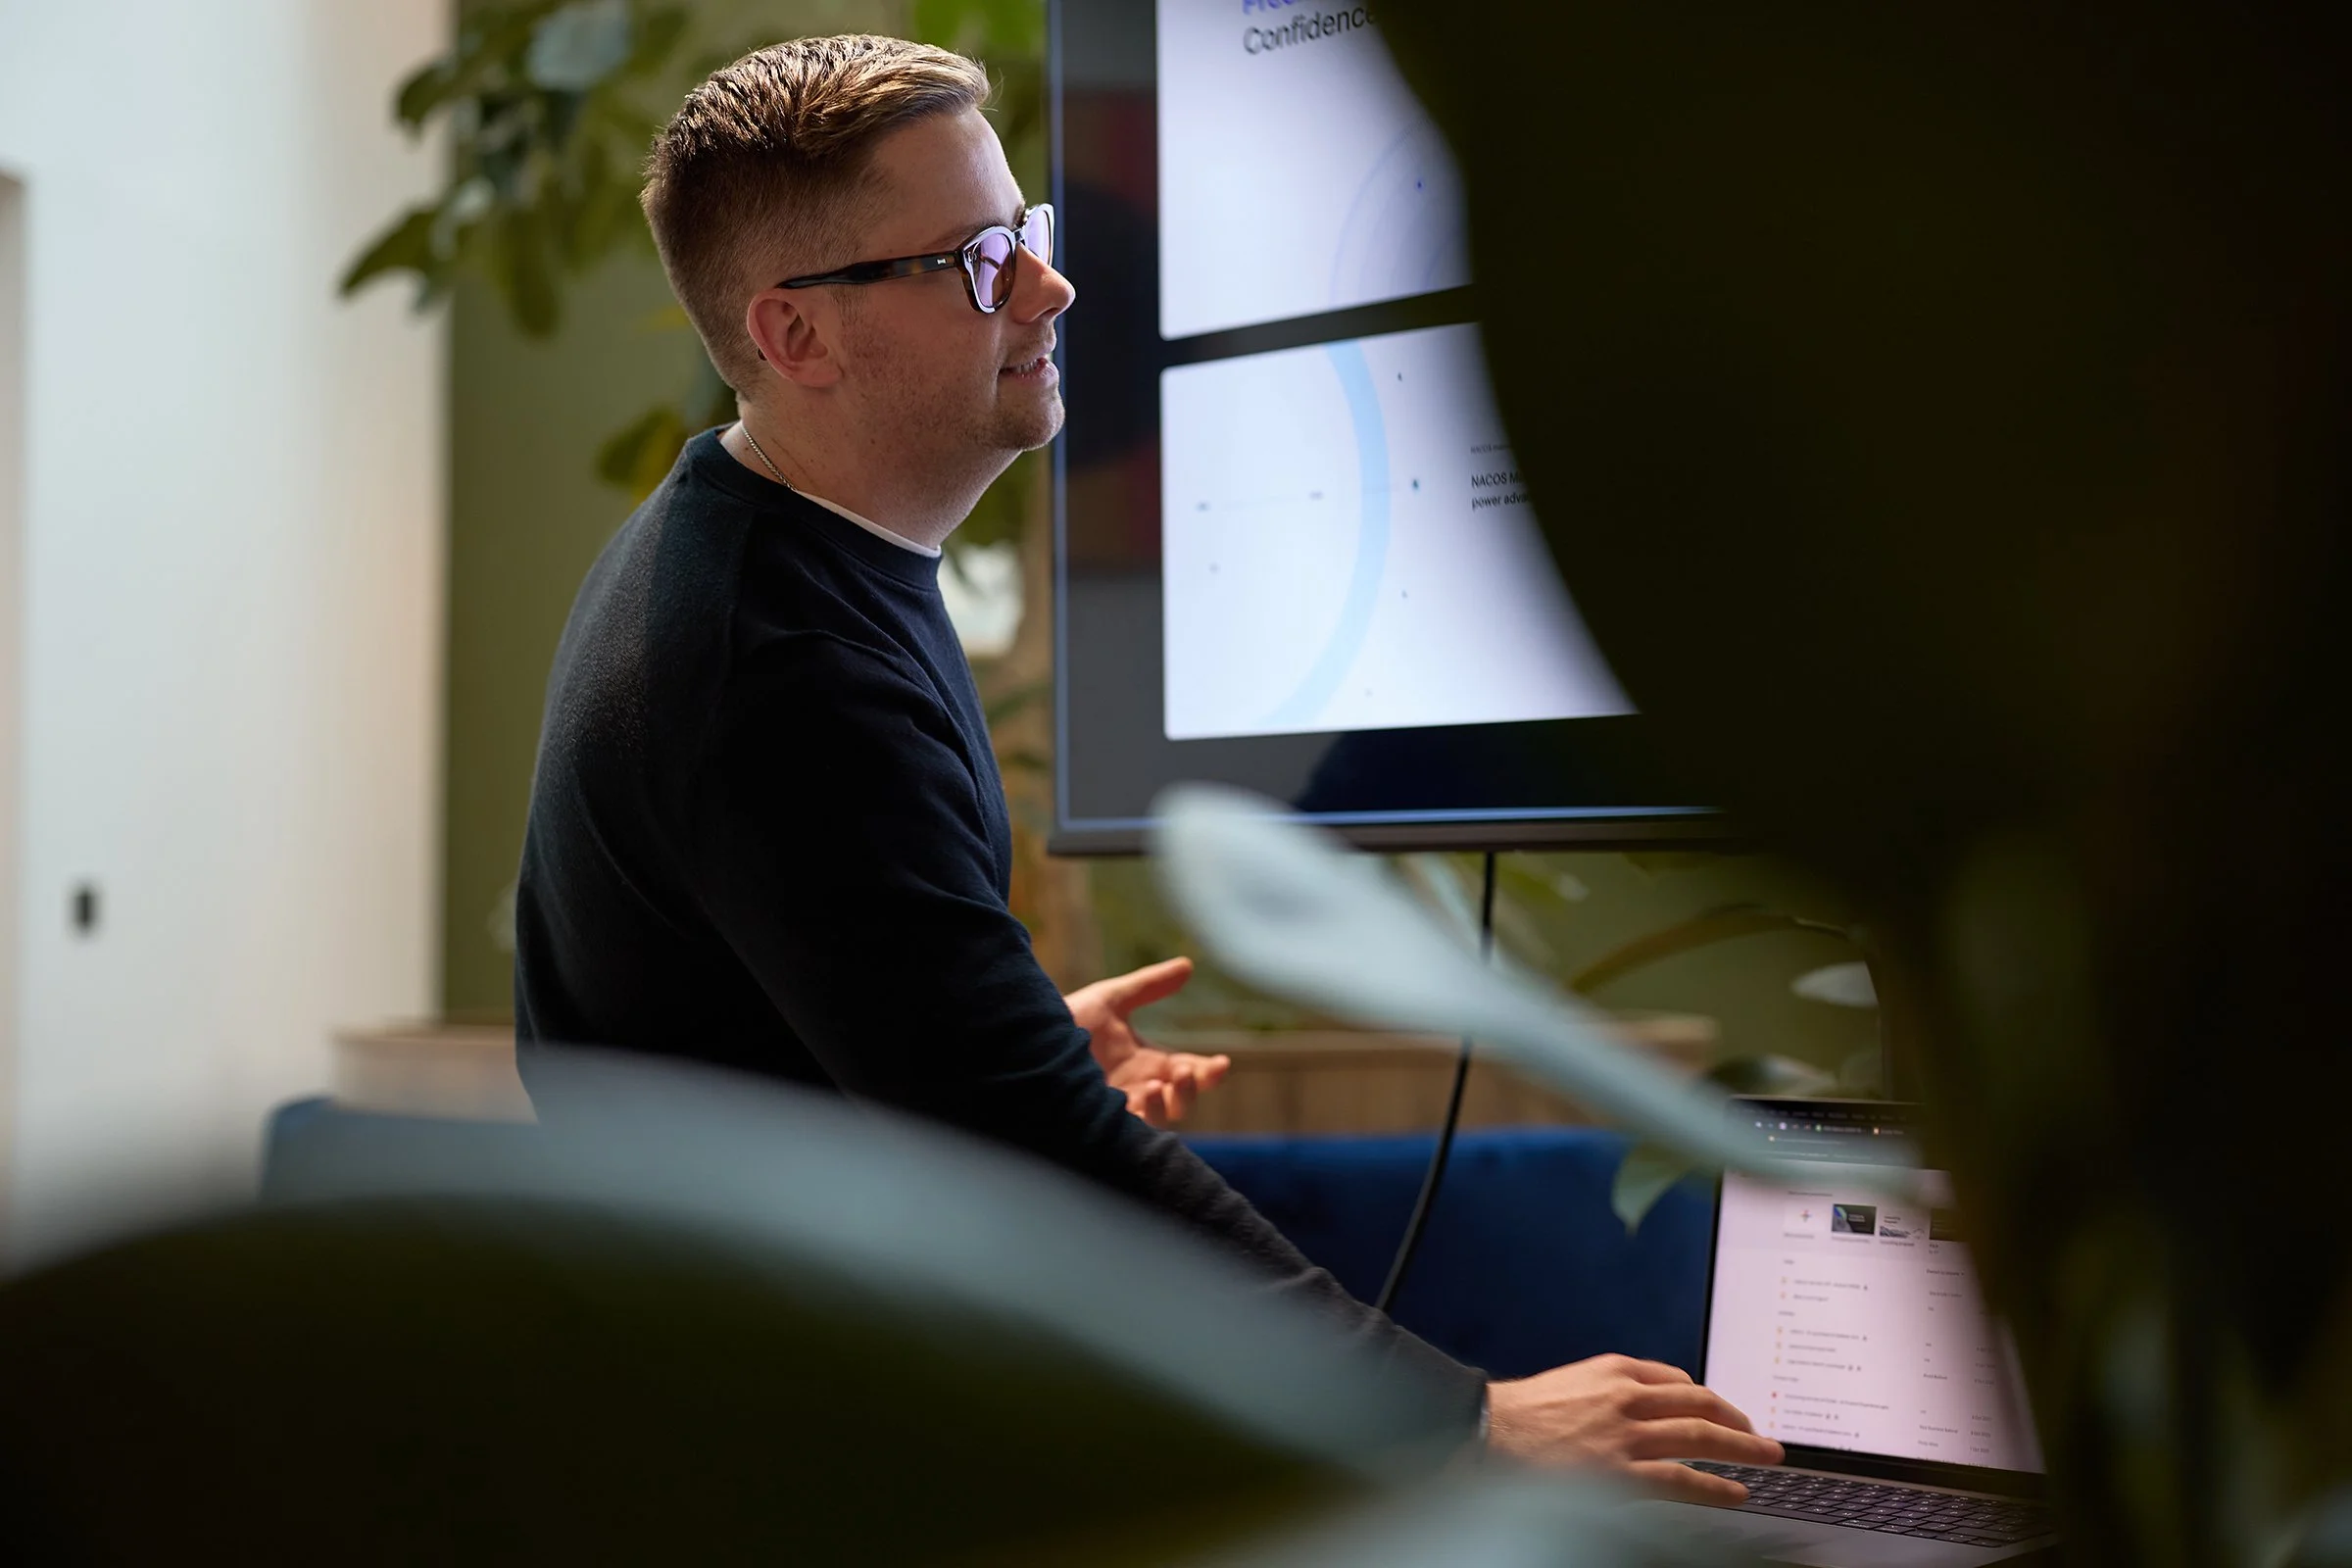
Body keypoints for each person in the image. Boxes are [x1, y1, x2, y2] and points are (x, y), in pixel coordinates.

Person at [512, 31, 1778, 1499]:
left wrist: (970, 1033)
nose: (1049, 287)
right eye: (978, 264)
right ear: (796, 336)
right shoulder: (777, 667)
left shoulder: (770, 552)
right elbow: (1037, 1147)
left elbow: (760, 1029)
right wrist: (1462, 1424)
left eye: (1028, 232)